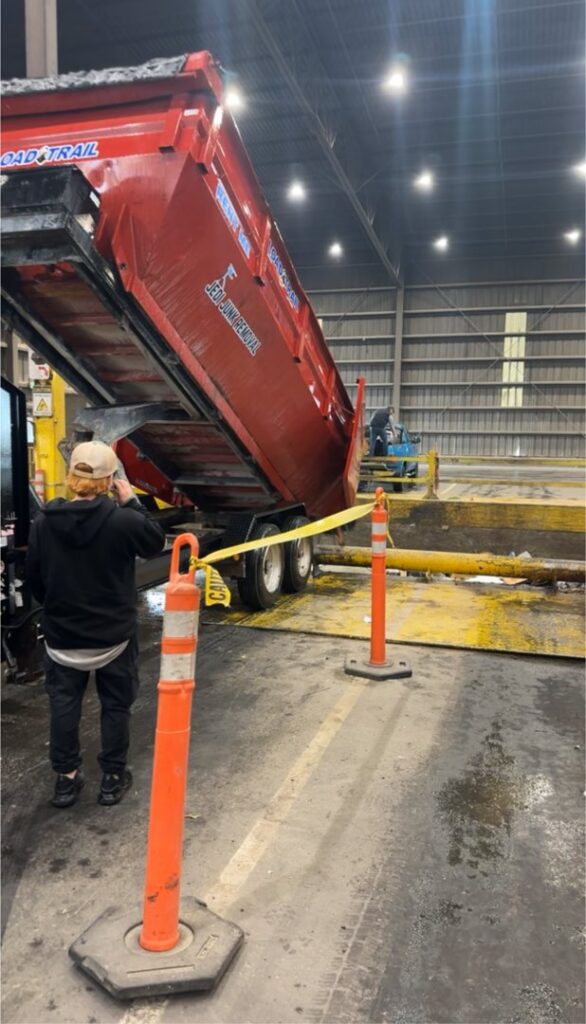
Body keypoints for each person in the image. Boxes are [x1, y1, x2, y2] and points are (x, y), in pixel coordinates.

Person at [25, 441, 165, 809]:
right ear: (111, 480)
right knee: (115, 706)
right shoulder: (123, 521)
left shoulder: (44, 523)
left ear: (70, 477)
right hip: (114, 638)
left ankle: (66, 781)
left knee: (64, 705)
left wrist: (58, 609)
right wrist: (131, 502)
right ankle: (112, 780)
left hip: (62, 637)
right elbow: (154, 542)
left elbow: (35, 579)